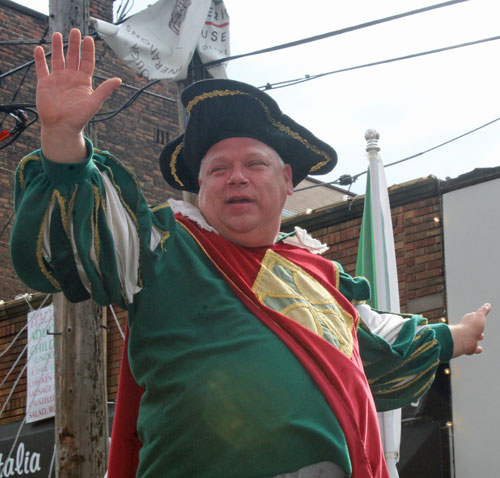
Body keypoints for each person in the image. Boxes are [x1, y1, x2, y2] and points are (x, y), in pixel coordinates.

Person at [10, 29, 489, 478]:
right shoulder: (163, 245)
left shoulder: (320, 274)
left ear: (286, 182)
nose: (236, 177)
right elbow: (90, 234)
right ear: (200, 186)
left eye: (254, 164)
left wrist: (457, 334)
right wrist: (62, 142)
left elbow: (383, 339)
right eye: (218, 168)